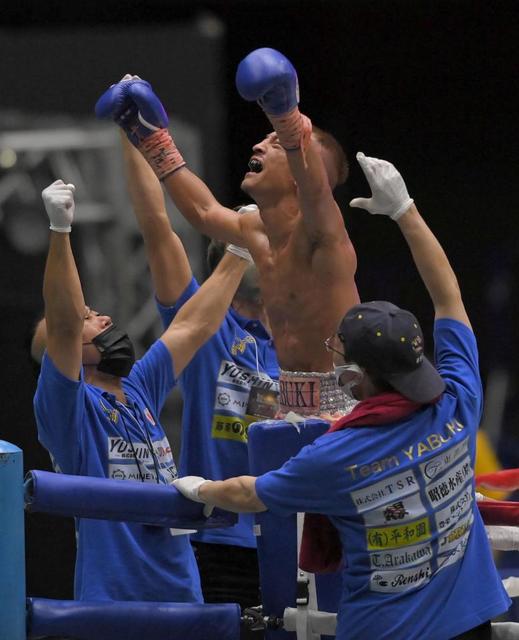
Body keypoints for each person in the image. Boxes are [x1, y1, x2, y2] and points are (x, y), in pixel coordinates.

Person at [173, 154, 511, 639]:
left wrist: (199, 489)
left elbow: (249, 493)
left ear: (354, 376)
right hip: (472, 623)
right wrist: (405, 210)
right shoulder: (458, 400)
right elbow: (448, 296)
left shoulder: (335, 456)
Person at [95, 48, 360, 420]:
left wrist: (286, 117)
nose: (259, 145)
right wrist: (152, 140)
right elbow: (202, 211)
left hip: (340, 408)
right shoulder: (254, 230)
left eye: (275, 142)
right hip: (288, 405)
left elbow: (315, 188)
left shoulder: (323, 237)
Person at [31, 178, 255, 603]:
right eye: (88, 318)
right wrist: (60, 233)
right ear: (66, 354)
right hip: (118, 599)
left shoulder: (137, 389)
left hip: (183, 593)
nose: (103, 317)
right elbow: (61, 323)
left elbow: (193, 326)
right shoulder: (68, 410)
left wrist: (240, 250)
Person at [120, 132, 279, 612]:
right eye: (245, 234)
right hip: (220, 542)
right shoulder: (206, 330)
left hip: (295, 541)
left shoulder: (308, 343)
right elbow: (156, 226)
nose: (259, 231)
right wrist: (133, 133)